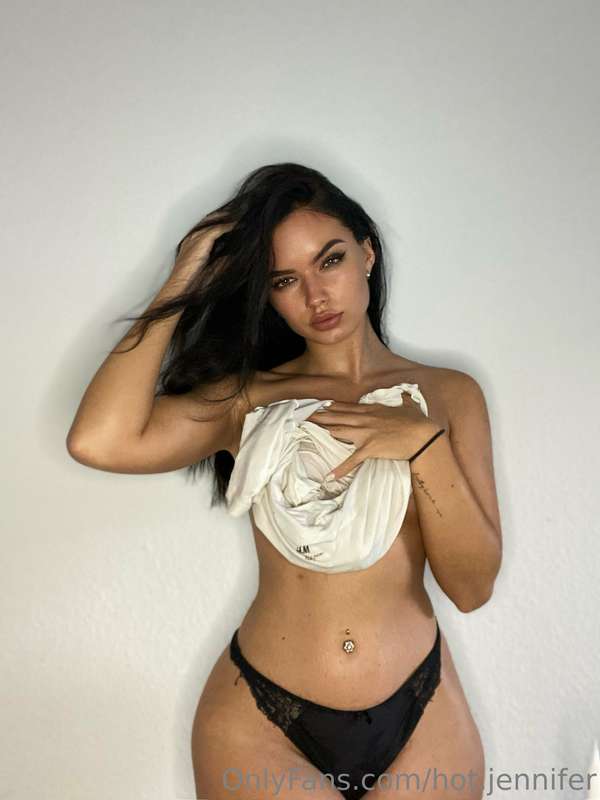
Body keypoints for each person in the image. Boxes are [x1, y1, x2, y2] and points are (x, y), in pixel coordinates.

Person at [66, 162, 502, 799]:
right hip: (263, 723)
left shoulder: (449, 395)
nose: (316, 296)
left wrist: (422, 446)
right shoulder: (247, 400)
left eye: (331, 260)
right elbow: (97, 441)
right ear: (266, 294)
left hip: (423, 711)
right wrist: (185, 273)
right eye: (284, 280)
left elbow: (472, 588)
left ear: (367, 253)